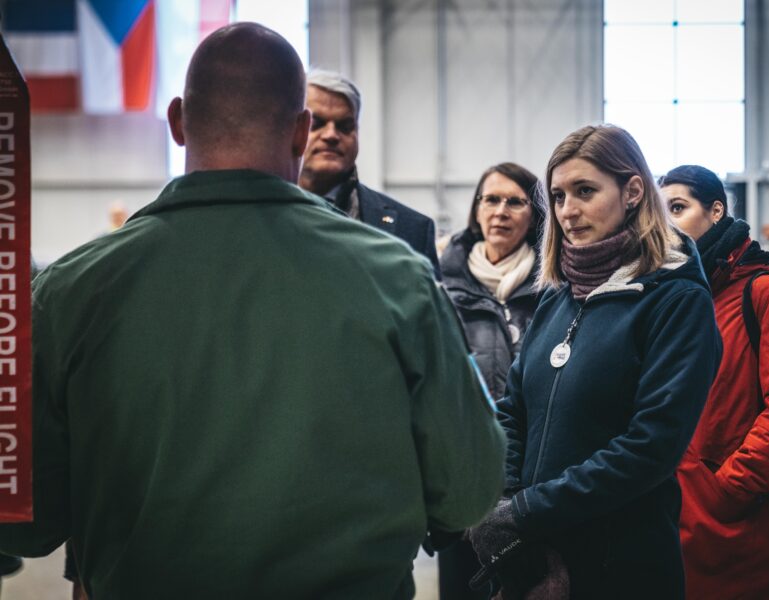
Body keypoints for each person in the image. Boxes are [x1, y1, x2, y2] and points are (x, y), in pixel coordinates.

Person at [0, 23, 506, 599]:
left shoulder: (72, 290)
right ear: (300, 132)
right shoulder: (397, 278)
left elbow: (27, 527)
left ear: (176, 121)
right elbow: (469, 490)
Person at [468, 125, 722, 599]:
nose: (568, 211)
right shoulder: (558, 296)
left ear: (632, 192)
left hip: (621, 563)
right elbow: (513, 408)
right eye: (559, 195)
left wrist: (527, 510)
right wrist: (502, 499)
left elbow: (651, 447)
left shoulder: (677, 301)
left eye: (585, 191)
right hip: (536, 559)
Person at [659, 164, 769, 600]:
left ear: (717, 211)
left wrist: (729, 490)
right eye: (659, 214)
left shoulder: (768, 293)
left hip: (742, 527)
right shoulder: (675, 298)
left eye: (678, 208)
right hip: (676, 523)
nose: (666, 224)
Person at [437, 162, 544, 599]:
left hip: (533, 480)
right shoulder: (439, 282)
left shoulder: (556, 284)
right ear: (476, 209)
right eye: (491, 199)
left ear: (534, 214)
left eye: (515, 201)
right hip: (460, 475)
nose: (501, 211)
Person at [299, 69, 441, 277]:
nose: (331, 135)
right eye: (317, 123)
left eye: (345, 126)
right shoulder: (255, 219)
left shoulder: (412, 229)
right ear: (294, 129)